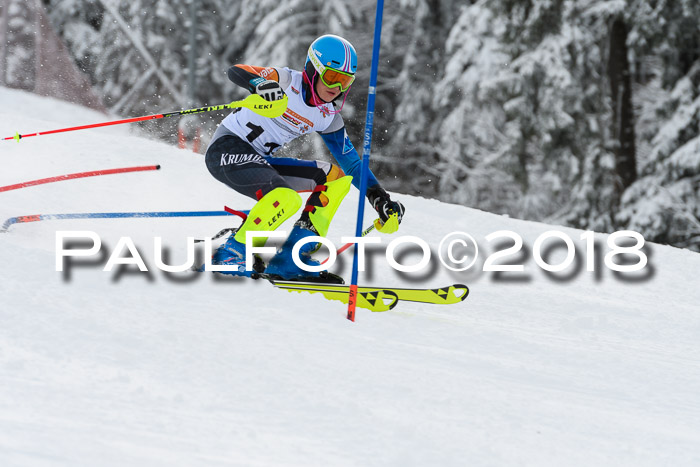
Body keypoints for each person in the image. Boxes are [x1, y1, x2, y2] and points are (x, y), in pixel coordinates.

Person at [204, 34, 404, 282]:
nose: (337, 87)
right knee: (285, 198)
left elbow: (351, 162)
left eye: (345, 81)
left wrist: (379, 198)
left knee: (335, 179)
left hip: (259, 159)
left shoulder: (328, 116)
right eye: (332, 77)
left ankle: (291, 258)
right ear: (313, 69)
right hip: (227, 150)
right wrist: (259, 84)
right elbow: (238, 71)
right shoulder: (287, 81)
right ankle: (232, 253)